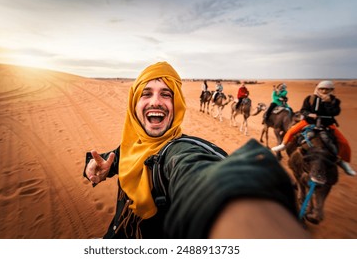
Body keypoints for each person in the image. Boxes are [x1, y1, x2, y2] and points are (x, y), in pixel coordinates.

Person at [84, 61, 310, 239]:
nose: (156, 101)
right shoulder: (133, 145)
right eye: (146, 93)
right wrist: (96, 165)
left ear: (177, 105)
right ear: (134, 103)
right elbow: (118, 156)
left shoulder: (178, 153)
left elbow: (196, 172)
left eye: (166, 94)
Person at [271, 80, 355, 176]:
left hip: (327, 124)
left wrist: (328, 103)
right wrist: (309, 114)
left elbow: (335, 112)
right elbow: (303, 110)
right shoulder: (310, 98)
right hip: (308, 122)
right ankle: (283, 145)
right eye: (322, 89)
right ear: (318, 89)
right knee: (291, 131)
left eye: (327, 89)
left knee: (343, 142)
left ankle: (343, 162)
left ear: (331, 90)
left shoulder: (335, 101)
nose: (324, 91)